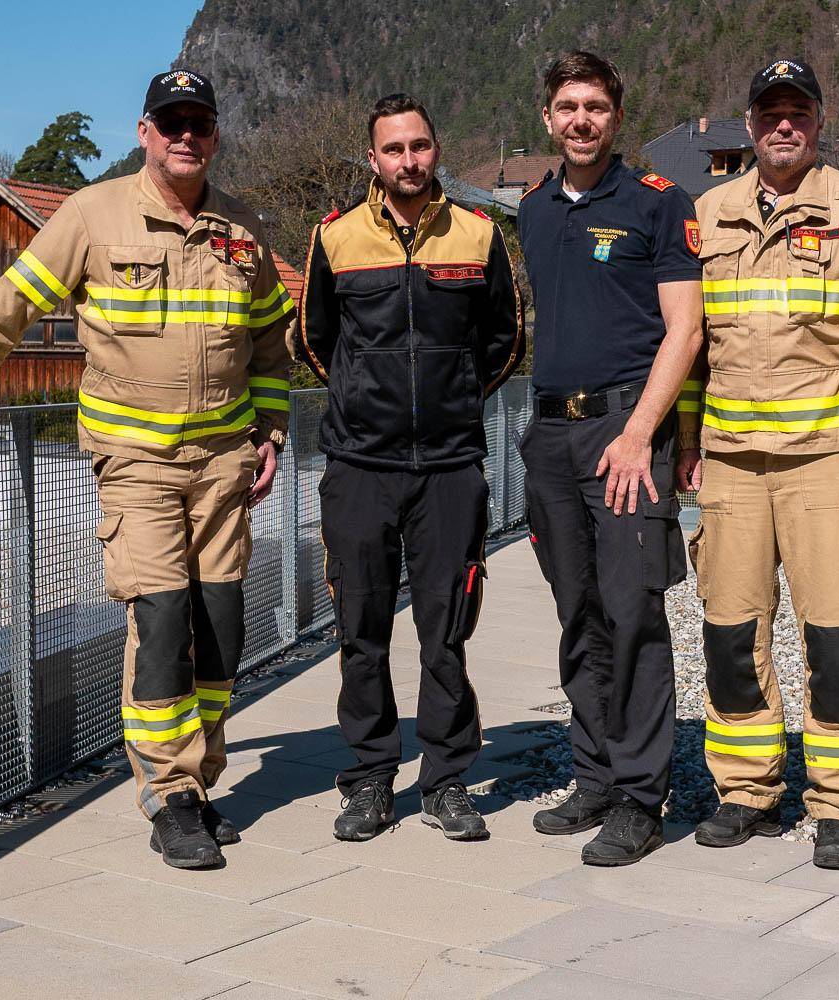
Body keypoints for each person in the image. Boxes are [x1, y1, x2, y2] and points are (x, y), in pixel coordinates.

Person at [0, 69, 293, 870]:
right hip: (135, 459)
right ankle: (167, 795)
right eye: (170, 121)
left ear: (214, 135)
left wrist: (269, 428)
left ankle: (201, 780)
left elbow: (271, 344)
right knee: (163, 621)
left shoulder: (240, 228)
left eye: (198, 122)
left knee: (222, 626)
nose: (185, 135)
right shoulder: (93, 213)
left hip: (221, 463)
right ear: (144, 131)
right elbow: (12, 302)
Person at [679, 58, 839, 870]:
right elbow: (688, 345)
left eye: (798, 112)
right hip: (733, 463)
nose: (784, 125)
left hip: (827, 458)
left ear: (818, 120)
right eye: (769, 112)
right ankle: (745, 792)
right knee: (728, 635)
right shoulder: (707, 212)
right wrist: (683, 442)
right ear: (748, 124)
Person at [294, 93, 523, 843]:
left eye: (419, 147)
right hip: (360, 464)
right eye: (393, 150)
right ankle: (366, 781)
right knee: (360, 629)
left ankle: (446, 780)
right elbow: (315, 340)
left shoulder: (480, 234)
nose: (408, 161)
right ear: (372, 159)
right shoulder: (333, 238)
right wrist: (368, 402)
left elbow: (504, 339)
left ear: (435, 150)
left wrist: (451, 402)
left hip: (450, 466)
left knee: (444, 630)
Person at [517, 50, 704, 866]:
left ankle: (638, 796)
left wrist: (640, 436)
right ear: (548, 119)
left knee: (631, 614)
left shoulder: (658, 204)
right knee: (577, 616)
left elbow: (685, 331)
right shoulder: (530, 209)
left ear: (616, 117)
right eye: (567, 106)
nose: (581, 119)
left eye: (595, 104)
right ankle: (591, 774)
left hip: (625, 431)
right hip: (550, 436)